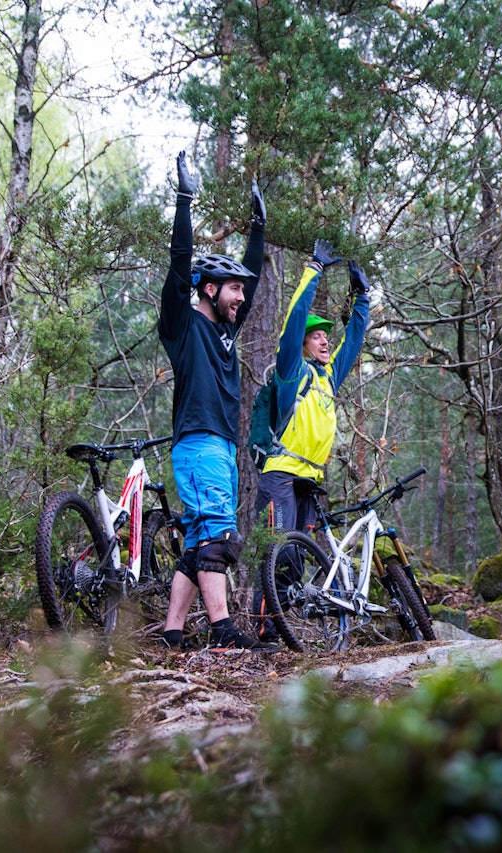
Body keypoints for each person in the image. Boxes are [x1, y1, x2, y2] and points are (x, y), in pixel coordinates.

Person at [158, 151, 271, 651]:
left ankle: (172, 634)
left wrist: (258, 227)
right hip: (198, 442)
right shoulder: (183, 326)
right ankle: (223, 629)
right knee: (218, 537)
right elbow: (179, 262)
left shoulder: (227, 331)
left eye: (241, 294)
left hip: (221, 446)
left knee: (198, 542)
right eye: (232, 291)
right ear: (208, 289)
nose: (241, 298)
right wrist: (185, 199)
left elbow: (251, 272)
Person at [250, 240, 371, 640]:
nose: (323, 341)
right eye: (315, 336)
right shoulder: (292, 373)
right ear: (302, 344)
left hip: (309, 482)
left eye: (324, 337)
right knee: (278, 554)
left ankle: (282, 637)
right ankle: (265, 638)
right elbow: (293, 319)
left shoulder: (326, 379)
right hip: (280, 476)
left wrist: (362, 299)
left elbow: (352, 343)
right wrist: (315, 268)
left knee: (297, 561)